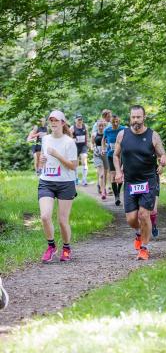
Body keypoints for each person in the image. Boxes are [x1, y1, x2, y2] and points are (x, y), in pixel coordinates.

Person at [114, 105, 166, 260]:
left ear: (144, 117)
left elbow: (162, 154)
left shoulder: (153, 135)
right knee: (131, 219)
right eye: (133, 117)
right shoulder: (122, 135)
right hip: (130, 181)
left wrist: (162, 162)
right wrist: (118, 171)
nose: (135, 120)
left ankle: (144, 248)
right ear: (130, 118)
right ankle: (139, 233)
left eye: (138, 117)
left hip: (148, 180)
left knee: (144, 215)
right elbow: (116, 156)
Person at [38, 110, 78, 263]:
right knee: (45, 216)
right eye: (51, 120)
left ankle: (66, 248)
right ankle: (51, 246)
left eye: (56, 120)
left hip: (65, 183)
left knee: (62, 220)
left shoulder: (69, 142)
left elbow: (73, 166)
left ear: (62, 123)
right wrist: (42, 160)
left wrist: (58, 155)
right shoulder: (45, 139)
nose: (53, 123)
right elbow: (44, 159)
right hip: (46, 181)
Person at [102, 114, 126, 206]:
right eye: (113, 122)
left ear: (119, 121)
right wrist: (103, 149)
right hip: (111, 155)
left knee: (120, 175)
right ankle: (116, 196)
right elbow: (103, 140)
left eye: (117, 122)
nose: (115, 123)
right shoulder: (107, 130)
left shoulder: (123, 129)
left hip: (121, 156)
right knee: (112, 175)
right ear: (110, 122)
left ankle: (118, 193)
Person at [91, 119, 108, 199]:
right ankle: (103, 192)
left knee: (105, 173)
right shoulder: (94, 134)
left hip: (105, 154)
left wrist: (105, 149)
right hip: (97, 154)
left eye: (102, 126)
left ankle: (103, 187)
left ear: (104, 126)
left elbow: (109, 143)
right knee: (101, 174)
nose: (101, 127)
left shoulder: (107, 134)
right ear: (97, 126)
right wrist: (94, 148)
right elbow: (92, 144)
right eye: (99, 126)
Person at [70, 114, 89, 186]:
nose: (80, 121)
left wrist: (88, 144)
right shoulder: (72, 128)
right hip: (75, 147)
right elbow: (69, 138)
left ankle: (84, 179)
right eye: (78, 120)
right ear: (75, 120)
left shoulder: (85, 126)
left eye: (81, 119)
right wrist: (73, 140)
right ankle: (76, 178)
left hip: (83, 146)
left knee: (84, 161)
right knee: (76, 163)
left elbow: (87, 136)